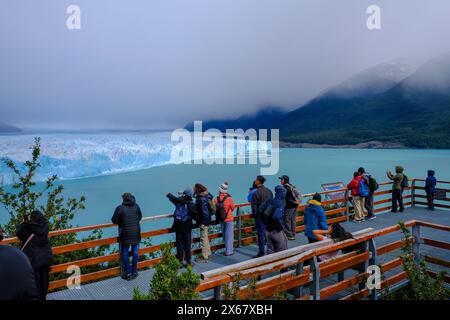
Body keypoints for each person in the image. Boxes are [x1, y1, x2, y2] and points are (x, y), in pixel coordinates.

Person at [15, 210, 54, 300]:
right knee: (45, 277)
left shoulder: (27, 227)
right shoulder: (45, 225)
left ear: (31, 218)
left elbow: (19, 234)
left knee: (35, 279)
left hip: (33, 258)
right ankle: (43, 297)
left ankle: (38, 297)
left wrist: (23, 223)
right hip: (45, 256)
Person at [111, 192, 143, 280]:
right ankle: (135, 271)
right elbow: (140, 217)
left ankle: (128, 273)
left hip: (125, 235)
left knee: (125, 254)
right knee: (135, 253)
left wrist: (122, 221)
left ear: (123, 199)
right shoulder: (136, 206)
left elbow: (114, 220)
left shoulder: (120, 208)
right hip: (135, 233)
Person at [167, 188, 194, 267]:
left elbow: (172, 199)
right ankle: (188, 261)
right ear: (190, 195)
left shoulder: (178, 201)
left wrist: (169, 194)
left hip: (178, 226)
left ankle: (180, 261)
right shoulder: (190, 204)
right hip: (187, 227)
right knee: (187, 244)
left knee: (179, 244)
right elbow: (195, 214)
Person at [260, 185, 288, 254]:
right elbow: (276, 217)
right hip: (277, 231)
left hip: (267, 230)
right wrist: (280, 227)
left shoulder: (269, 201)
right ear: (283, 193)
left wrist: (265, 222)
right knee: (282, 253)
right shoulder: (280, 204)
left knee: (270, 252)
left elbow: (260, 210)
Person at [251, 175, 273, 258]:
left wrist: (255, 216)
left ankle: (261, 251)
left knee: (260, 233)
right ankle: (270, 249)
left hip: (260, 216)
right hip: (268, 215)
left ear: (258, 181)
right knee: (269, 232)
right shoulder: (269, 191)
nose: (255, 181)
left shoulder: (256, 193)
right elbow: (272, 203)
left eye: (256, 180)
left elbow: (254, 206)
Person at [214, 182, 235, 256]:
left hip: (220, 219)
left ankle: (227, 249)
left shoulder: (216, 199)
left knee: (224, 234)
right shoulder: (229, 198)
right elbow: (233, 208)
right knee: (229, 235)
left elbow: (214, 209)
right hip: (229, 219)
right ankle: (229, 252)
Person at [194, 183, 213, 262]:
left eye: (194, 188)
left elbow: (204, 212)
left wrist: (202, 223)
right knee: (206, 238)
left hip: (203, 222)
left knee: (203, 239)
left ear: (197, 189)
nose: (193, 190)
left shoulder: (201, 199)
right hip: (207, 220)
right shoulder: (205, 197)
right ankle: (208, 254)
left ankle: (204, 256)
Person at [279, 175, 300, 240]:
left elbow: (282, 197)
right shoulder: (290, 185)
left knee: (287, 220)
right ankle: (293, 234)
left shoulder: (285, 187)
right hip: (295, 205)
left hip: (289, 206)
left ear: (285, 180)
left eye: (282, 179)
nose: (280, 181)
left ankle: (289, 235)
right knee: (293, 220)